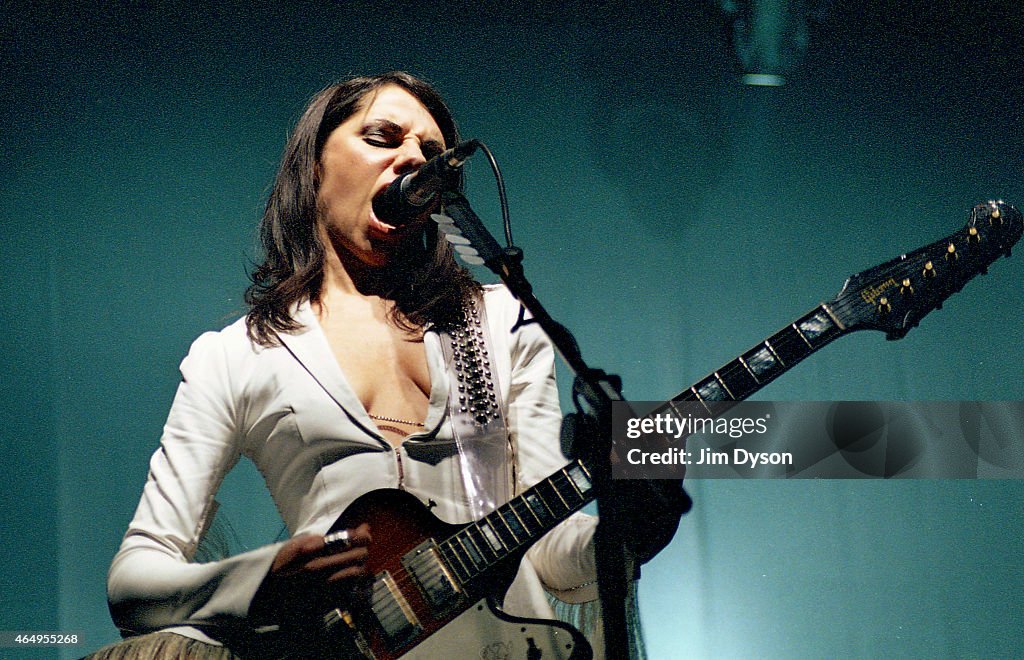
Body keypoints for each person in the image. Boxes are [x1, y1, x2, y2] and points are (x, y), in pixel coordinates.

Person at [96, 71, 628, 659]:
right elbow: (133, 583)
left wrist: (633, 530)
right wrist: (262, 581)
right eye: (383, 137)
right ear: (314, 168)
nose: (413, 159)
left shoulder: (501, 321)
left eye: (431, 153)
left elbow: (556, 556)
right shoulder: (235, 355)